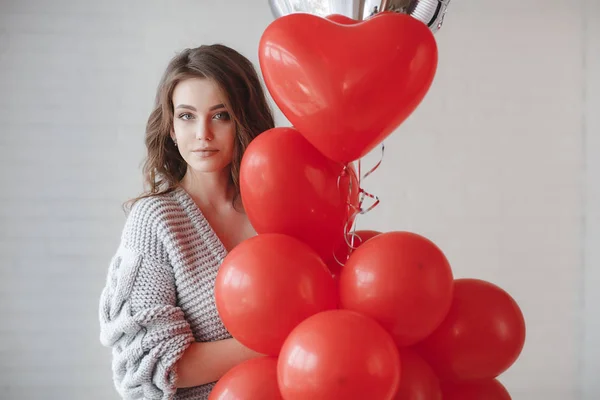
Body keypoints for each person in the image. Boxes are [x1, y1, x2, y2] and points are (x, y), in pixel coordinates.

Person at [98, 44, 276, 400]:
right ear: (171, 128)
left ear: (244, 118)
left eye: (221, 115)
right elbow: (151, 365)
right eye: (187, 116)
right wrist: (280, 347)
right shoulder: (156, 222)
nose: (203, 134)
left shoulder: (276, 210)